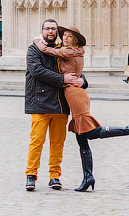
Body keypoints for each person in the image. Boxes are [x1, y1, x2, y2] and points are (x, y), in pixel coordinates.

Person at [34, 25, 129, 192]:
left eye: (69, 36)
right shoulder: (72, 50)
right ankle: (88, 176)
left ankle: (127, 129)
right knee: (81, 138)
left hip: (75, 95)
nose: (65, 38)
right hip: (74, 92)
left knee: (90, 133)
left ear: (75, 40)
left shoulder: (72, 50)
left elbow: (52, 52)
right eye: (64, 35)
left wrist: (38, 42)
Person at [24, 19, 84, 192]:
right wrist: (62, 79)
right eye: (47, 28)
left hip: (60, 102)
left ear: (57, 32)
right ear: (42, 30)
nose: (50, 31)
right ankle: (31, 175)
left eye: (53, 29)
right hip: (40, 102)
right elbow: (37, 71)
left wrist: (83, 81)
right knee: (37, 141)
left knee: (58, 142)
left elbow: (76, 69)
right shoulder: (34, 49)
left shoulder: (62, 51)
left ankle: (54, 176)